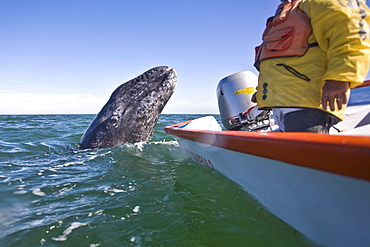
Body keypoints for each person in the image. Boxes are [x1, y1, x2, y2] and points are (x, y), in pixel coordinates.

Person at [253, 0, 370, 133]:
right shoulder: (289, 11)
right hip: (283, 107)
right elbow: (280, 61)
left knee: (305, 153)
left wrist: (340, 78)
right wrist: (262, 92)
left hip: (306, 106)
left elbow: (351, 32)